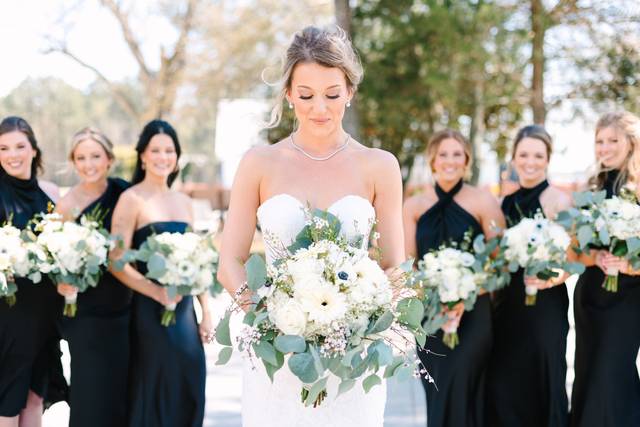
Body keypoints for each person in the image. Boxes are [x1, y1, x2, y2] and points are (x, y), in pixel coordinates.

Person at [217, 25, 405, 427]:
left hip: (352, 361)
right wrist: (273, 318)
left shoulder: (381, 166)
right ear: (288, 94)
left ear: (350, 92)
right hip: (278, 359)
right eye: (306, 95)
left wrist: (359, 321)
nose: (319, 107)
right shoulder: (258, 163)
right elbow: (229, 263)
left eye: (332, 95)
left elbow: (396, 268)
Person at [110, 120, 212, 427]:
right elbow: (115, 259)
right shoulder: (131, 199)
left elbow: (198, 261)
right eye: (155, 150)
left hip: (184, 314)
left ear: (177, 157)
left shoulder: (185, 202)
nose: (162, 157)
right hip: (149, 312)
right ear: (142, 156)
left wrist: (206, 311)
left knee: (189, 384)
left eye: (169, 150)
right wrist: (154, 290)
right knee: (155, 391)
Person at [403, 129, 504, 427]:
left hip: (474, 315)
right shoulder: (413, 205)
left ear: (467, 160)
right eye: (443, 154)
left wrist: (464, 294)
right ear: (432, 160)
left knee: (462, 385)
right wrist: (435, 298)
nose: (450, 160)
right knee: (437, 391)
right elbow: (408, 266)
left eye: (457, 154)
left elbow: (499, 263)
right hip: (430, 318)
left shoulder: (485, 202)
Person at [486, 125, 572, 426]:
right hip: (507, 307)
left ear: (548, 158)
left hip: (544, 307)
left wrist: (552, 276)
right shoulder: (503, 204)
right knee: (504, 387)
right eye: (523, 154)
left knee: (543, 382)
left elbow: (573, 260)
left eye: (538, 155)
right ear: (513, 158)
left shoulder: (558, 201)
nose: (530, 161)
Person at [54, 127, 131, 427]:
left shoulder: (125, 193)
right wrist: (61, 283)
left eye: (96, 156)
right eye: (81, 157)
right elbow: (56, 259)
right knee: (91, 394)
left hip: (125, 309)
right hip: (85, 316)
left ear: (109, 159)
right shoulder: (66, 205)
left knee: (123, 392)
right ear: (73, 162)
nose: (89, 164)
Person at [571, 111, 640, 427]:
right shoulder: (591, 187)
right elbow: (575, 250)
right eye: (600, 141)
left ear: (631, 143)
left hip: (628, 299)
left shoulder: (638, 188)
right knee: (588, 370)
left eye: (613, 140)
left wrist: (630, 264)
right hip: (590, 295)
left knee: (613, 372)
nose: (605, 147)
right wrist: (595, 257)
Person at [0, 116, 66, 427]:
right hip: (8, 312)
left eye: (19, 146)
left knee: (35, 396)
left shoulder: (51, 192)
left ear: (34, 150)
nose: (12, 154)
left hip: (44, 311)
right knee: (8, 399)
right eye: (3, 148)